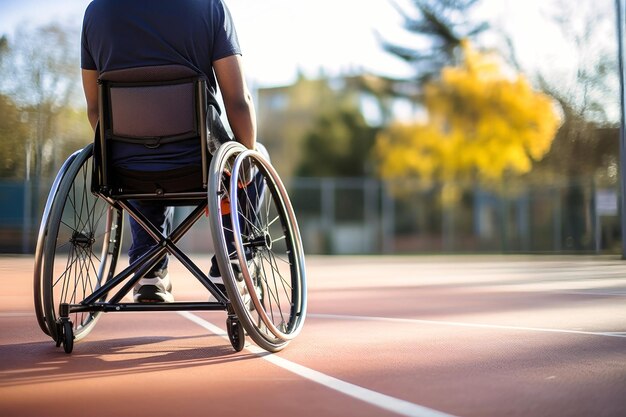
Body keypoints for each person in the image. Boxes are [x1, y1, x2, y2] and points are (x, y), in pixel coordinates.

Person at [81, 0, 257, 302]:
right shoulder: (209, 7)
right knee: (252, 154)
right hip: (200, 160)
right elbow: (238, 101)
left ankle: (148, 267)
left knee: (134, 155)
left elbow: (96, 109)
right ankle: (232, 258)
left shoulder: (96, 11)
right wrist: (245, 167)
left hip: (128, 162)